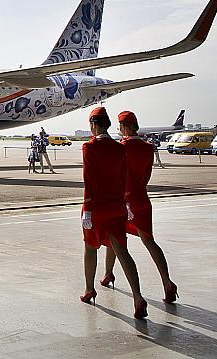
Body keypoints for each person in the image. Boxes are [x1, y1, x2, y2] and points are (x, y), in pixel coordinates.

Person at [100, 112, 178, 304]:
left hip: (122, 200)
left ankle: (109, 274)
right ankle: (167, 282)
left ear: (125, 127)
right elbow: (147, 174)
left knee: (114, 239)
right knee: (149, 241)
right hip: (141, 198)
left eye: (120, 127)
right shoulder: (148, 147)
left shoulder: (121, 147)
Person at [80, 106, 147, 319]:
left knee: (90, 248)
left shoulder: (89, 147)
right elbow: (123, 178)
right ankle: (138, 297)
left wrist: (87, 208)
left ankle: (89, 289)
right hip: (117, 206)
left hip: (97, 206)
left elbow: (89, 180)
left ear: (93, 124)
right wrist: (125, 204)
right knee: (122, 251)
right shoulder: (120, 148)